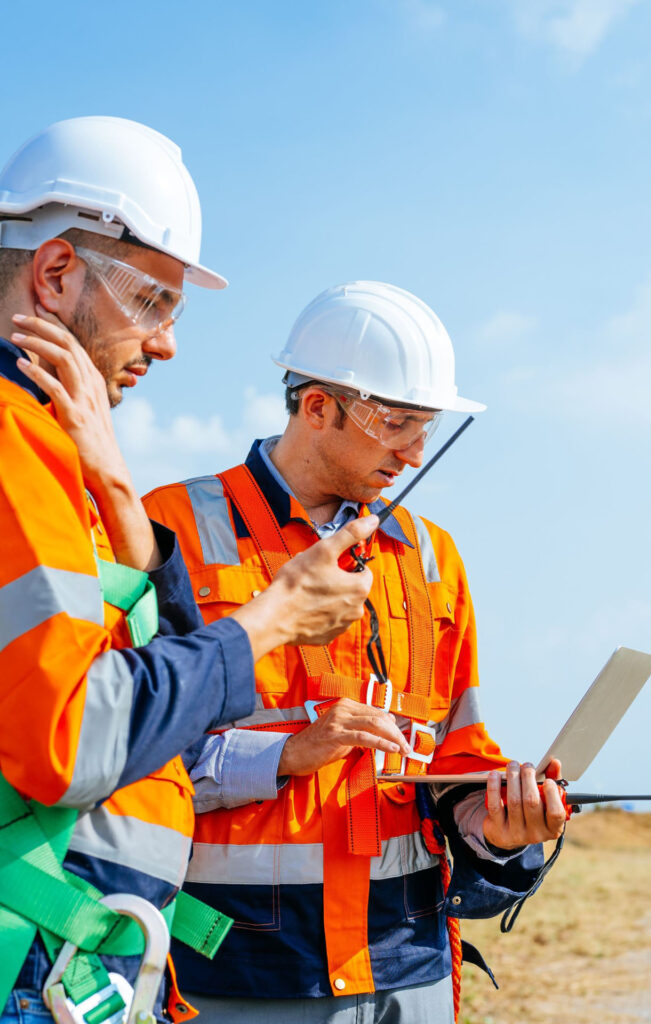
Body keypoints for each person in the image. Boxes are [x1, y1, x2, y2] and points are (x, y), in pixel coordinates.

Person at [0, 118, 376, 1023]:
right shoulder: (12, 444)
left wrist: (122, 498)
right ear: (56, 274)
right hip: (31, 965)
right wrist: (272, 619)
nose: (167, 343)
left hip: (77, 962)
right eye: (155, 303)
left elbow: (158, 697)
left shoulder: (64, 455)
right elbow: (72, 739)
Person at [142, 281, 567, 1023]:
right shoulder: (169, 529)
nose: (415, 451)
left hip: (407, 968)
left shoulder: (433, 558)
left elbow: (458, 755)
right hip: (232, 973)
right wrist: (282, 755)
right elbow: (121, 746)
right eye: (397, 423)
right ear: (316, 407)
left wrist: (495, 830)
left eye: (426, 426)